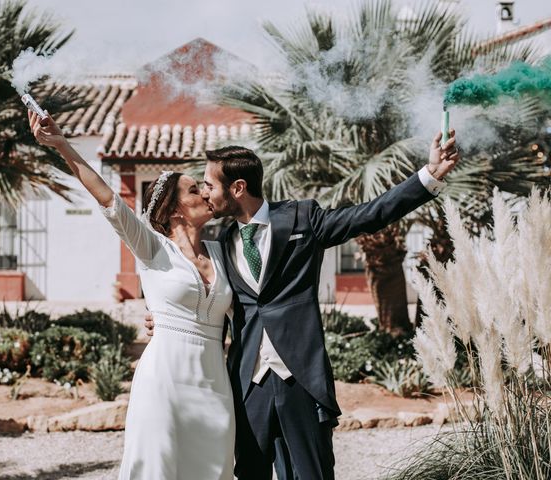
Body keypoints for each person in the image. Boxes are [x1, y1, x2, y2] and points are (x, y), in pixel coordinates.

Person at [146, 131, 460, 479]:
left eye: (208, 184)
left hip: (301, 377)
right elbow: (206, 299)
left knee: (313, 474)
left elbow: (368, 215)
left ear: (237, 188)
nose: (205, 192)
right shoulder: (221, 244)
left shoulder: (301, 219)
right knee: (250, 473)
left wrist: (429, 175)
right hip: (249, 384)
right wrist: (164, 318)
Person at [28, 111, 236, 479]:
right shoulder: (153, 247)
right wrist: (61, 144)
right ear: (173, 209)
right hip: (164, 382)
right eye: (194, 189)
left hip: (215, 384)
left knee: (214, 470)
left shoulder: (225, 252)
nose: (205, 192)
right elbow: (106, 197)